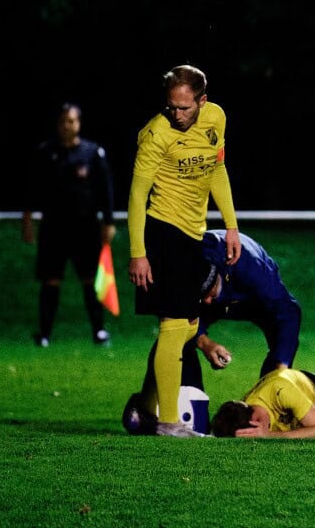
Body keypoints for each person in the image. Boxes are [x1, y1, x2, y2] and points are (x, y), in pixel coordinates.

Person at [128, 64, 242, 438]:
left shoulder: (216, 118)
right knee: (175, 325)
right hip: (162, 231)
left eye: (184, 108)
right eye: (171, 107)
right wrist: (138, 253)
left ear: (202, 101)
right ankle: (168, 422)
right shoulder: (156, 136)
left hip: (193, 234)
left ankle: (142, 410)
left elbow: (217, 171)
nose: (177, 115)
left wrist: (230, 226)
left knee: (189, 324)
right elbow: (137, 196)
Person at [122, 229, 303, 435]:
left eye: (209, 293)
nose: (207, 301)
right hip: (201, 290)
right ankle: (170, 410)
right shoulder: (182, 269)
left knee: (277, 368)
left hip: (247, 296)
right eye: (202, 297)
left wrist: (279, 372)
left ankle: (265, 408)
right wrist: (204, 341)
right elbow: (173, 325)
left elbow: (289, 314)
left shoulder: (255, 274)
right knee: (176, 335)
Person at [22, 102, 116, 347]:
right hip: (54, 227)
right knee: (50, 279)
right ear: (58, 124)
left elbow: (105, 189)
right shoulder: (45, 152)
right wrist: (28, 219)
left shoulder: (92, 152)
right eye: (63, 121)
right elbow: (32, 187)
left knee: (90, 279)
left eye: (71, 121)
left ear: (79, 124)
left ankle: (99, 331)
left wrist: (108, 221)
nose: (67, 125)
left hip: (85, 227)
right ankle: (44, 334)